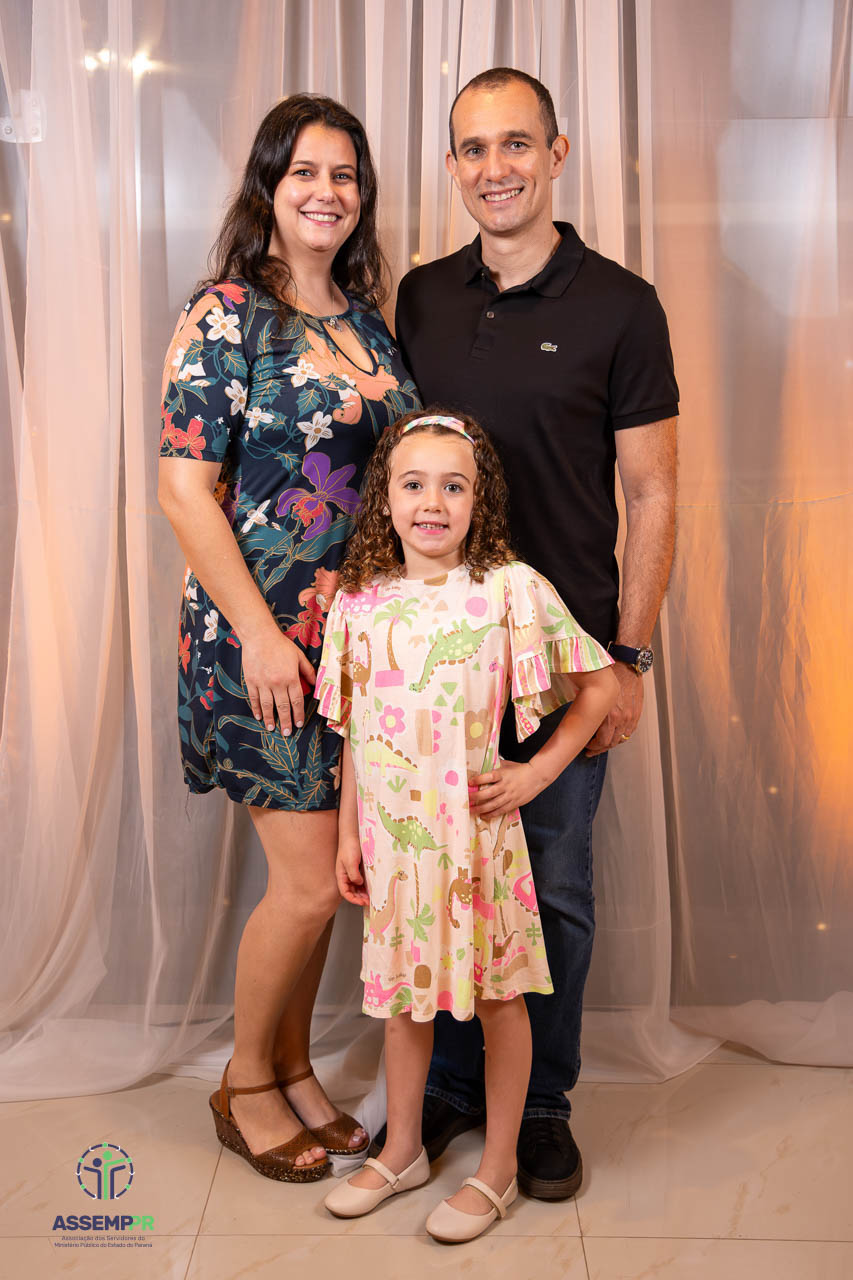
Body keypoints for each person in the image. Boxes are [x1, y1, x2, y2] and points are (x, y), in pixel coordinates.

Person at [391, 68, 680, 1200]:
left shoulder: (623, 305)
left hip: (562, 665)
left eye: (515, 144)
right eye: (472, 148)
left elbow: (652, 493)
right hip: (433, 662)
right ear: (452, 165)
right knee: (440, 877)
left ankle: (544, 1103)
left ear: (557, 154)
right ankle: (455, 1086)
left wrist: (629, 657)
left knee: (550, 889)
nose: (494, 168)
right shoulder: (421, 296)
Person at [158, 94, 420, 1182]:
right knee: (309, 884)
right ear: (268, 186)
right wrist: (263, 636)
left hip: (348, 647)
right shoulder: (228, 314)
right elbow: (183, 492)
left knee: (330, 884)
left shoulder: (367, 320)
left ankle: (295, 1066)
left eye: (344, 175)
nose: (326, 191)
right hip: (257, 642)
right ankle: (246, 1083)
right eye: (304, 171)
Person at [314, 411, 618, 1241]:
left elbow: (597, 686)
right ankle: (402, 1149)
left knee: (496, 998)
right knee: (402, 1004)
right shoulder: (360, 603)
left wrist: (535, 773)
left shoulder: (509, 590)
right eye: (413, 484)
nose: (432, 503)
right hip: (394, 845)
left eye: (454, 486)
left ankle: (499, 1167)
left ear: (479, 500)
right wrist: (348, 835)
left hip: (475, 844)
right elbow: (354, 731)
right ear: (384, 498)